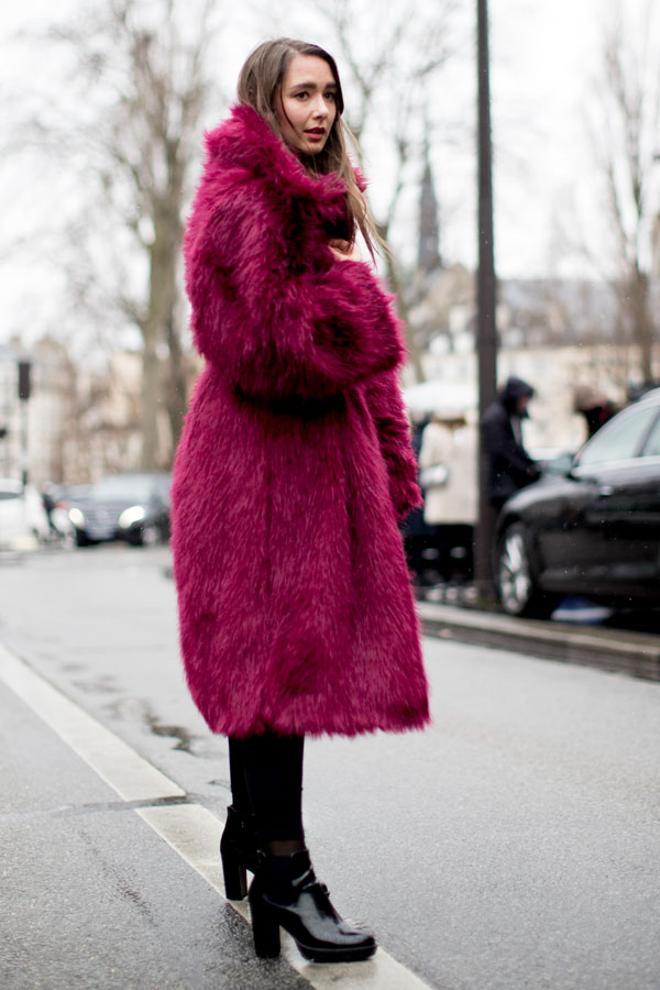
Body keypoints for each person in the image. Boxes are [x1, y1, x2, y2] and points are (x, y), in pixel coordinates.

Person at [170, 38, 430, 965]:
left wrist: (394, 467)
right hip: (251, 471)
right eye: (301, 94)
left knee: (279, 664)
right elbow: (270, 349)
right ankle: (287, 869)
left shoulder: (325, 203)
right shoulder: (245, 202)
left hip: (317, 464)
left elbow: (365, 368)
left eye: (328, 94)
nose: (318, 110)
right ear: (264, 101)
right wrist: (362, 315)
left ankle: (253, 831)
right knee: (268, 665)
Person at [419, 411, 477, 582]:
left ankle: (444, 575)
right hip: (466, 494)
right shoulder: (471, 432)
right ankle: (465, 575)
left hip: (443, 494)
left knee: (443, 540)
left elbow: (425, 460)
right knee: (466, 539)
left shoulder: (433, 431)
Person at [481, 376, 540, 511]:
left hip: (509, 484)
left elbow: (514, 448)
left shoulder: (510, 416)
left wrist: (529, 466)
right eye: (524, 399)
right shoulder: (498, 417)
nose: (525, 403)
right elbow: (503, 451)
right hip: (505, 485)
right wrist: (526, 468)